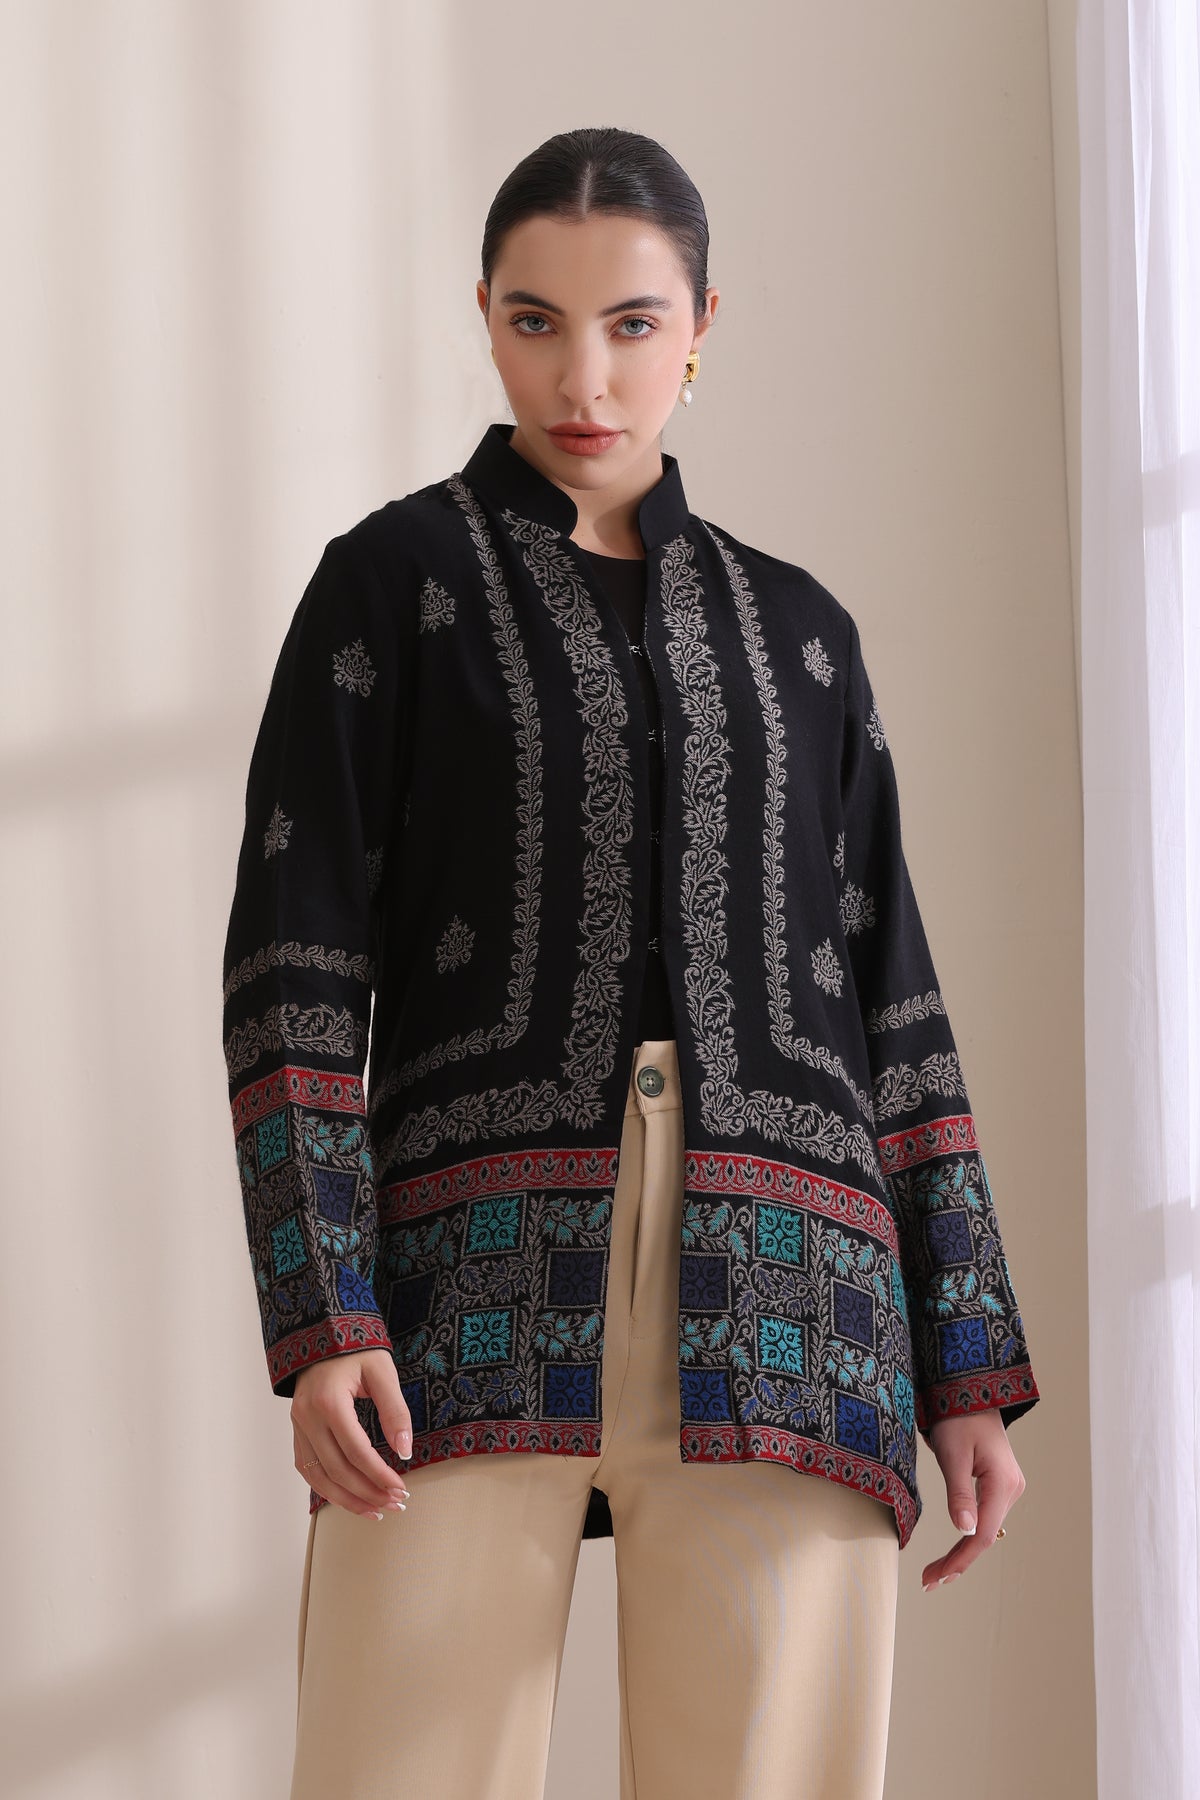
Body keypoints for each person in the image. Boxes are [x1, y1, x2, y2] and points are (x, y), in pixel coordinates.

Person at [221, 124, 1040, 1800]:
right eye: (536, 322)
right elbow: (294, 976)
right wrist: (320, 1316)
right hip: (463, 1289)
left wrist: (967, 1359)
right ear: (485, 315)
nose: (584, 377)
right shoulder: (390, 587)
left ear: (703, 327)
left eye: (633, 324)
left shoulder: (801, 633)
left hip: (797, 1299)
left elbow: (893, 994)